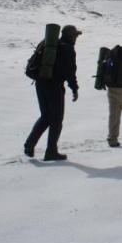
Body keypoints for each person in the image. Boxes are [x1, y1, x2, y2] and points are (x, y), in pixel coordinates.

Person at [24, 25, 80, 161]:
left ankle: (29, 145)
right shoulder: (68, 49)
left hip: (40, 83)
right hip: (54, 87)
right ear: (70, 36)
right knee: (56, 120)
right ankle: (51, 151)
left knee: (45, 117)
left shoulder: (50, 44)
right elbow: (70, 72)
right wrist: (74, 88)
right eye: (76, 35)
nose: (77, 38)